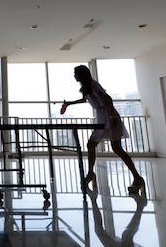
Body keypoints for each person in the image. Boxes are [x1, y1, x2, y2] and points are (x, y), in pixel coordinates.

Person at [60, 65, 145, 195]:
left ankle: (137, 178)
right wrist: (69, 104)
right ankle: (91, 173)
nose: (74, 76)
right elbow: (84, 99)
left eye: (75, 73)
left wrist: (111, 117)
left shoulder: (93, 85)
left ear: (82, 75)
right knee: (91, 144)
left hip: (108, 116)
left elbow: (108, 99)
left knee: (116, 148)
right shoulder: (86, 87)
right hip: (102, 117)